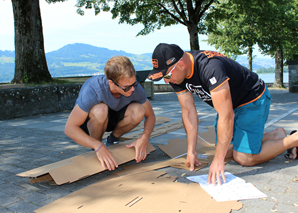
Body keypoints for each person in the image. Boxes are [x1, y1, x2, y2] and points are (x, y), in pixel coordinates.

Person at [148, 43, 298, 185]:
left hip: (252, 99)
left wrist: (218, 161)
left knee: (243, 158)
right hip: (230, 104)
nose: (167, 82)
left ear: (180, 65)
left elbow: (226, 115)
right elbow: (188, 111)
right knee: (225, 152)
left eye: (166, 77)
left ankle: (294, 139)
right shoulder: (177, 75)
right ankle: (276, 136)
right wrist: (191, 150)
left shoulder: (210, 67)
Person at [65, 56, 156, 171]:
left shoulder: (134, 87)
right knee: (101, 110)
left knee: (139, 110)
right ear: (111, 83)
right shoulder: (92, 90)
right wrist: (98, 146)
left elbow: (150, 115)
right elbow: (69, 128)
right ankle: (96, 146)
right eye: (127, 87)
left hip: (115, 117)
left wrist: (144, 138)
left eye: (134, 83)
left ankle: (112, 140)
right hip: (94, 121)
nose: (133, 89)